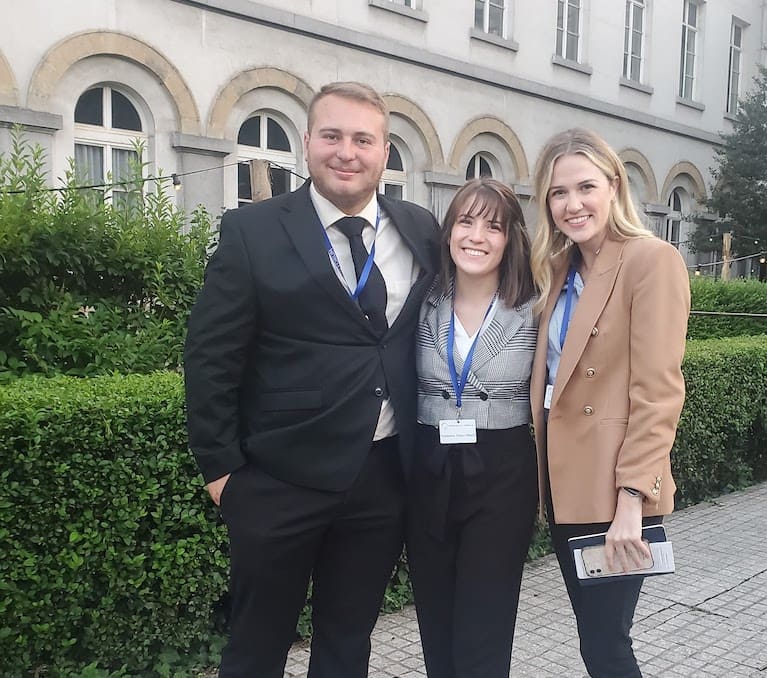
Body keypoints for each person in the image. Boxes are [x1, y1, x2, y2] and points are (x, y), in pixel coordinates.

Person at [183, 81, 439, 678]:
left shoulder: (421, 228)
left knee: (348, 645)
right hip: (279, 480)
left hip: (380, 480)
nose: (346, 152)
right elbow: (210, 357)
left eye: (362, 139)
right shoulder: (254, 230)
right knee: (255, 648)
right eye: (332, 135)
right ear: (306, 144)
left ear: (384, 151)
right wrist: (222, 474)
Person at [528, 128, 690, 677]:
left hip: (617, 493)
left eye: (585, 187)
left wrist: (631, 505)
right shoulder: (558, 271)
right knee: (594, 641)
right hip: (568, 488)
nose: (572, 205)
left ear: (613, 186)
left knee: (606, 646)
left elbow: (658, 391)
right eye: (557, 193)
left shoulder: (651, 260)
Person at [407, 178, 538, 678]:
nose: (477, 236)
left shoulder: (534, 308)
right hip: (429, 466)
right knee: (435, 623)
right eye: (466, 221)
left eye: (494, 225)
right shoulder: (422, 299)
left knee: (484, 626)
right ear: (448, 232)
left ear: (510, 239)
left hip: (501, 472)